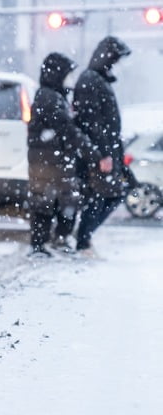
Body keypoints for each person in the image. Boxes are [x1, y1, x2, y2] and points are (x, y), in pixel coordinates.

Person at [27, 52, 106, 257]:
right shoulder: (50, 98)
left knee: (53, 201)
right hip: (50, 161)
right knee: (52, 201)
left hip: (52, 160)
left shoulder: (51, 97)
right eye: (67, 75)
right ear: (57, 75)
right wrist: (95, 156)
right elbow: (69, 132)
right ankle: (45, 243)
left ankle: (48, 242)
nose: (69, 80)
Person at [73, 36, 133, 255]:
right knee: (102, 195)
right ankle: (83, 240)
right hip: (100, 153)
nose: (116, 63)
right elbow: (93, 122)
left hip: (106, 150)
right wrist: (104, 154)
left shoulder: (98, 79)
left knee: (108, 194)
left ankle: (83, 237)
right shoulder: (91, 79)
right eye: (115, 58)